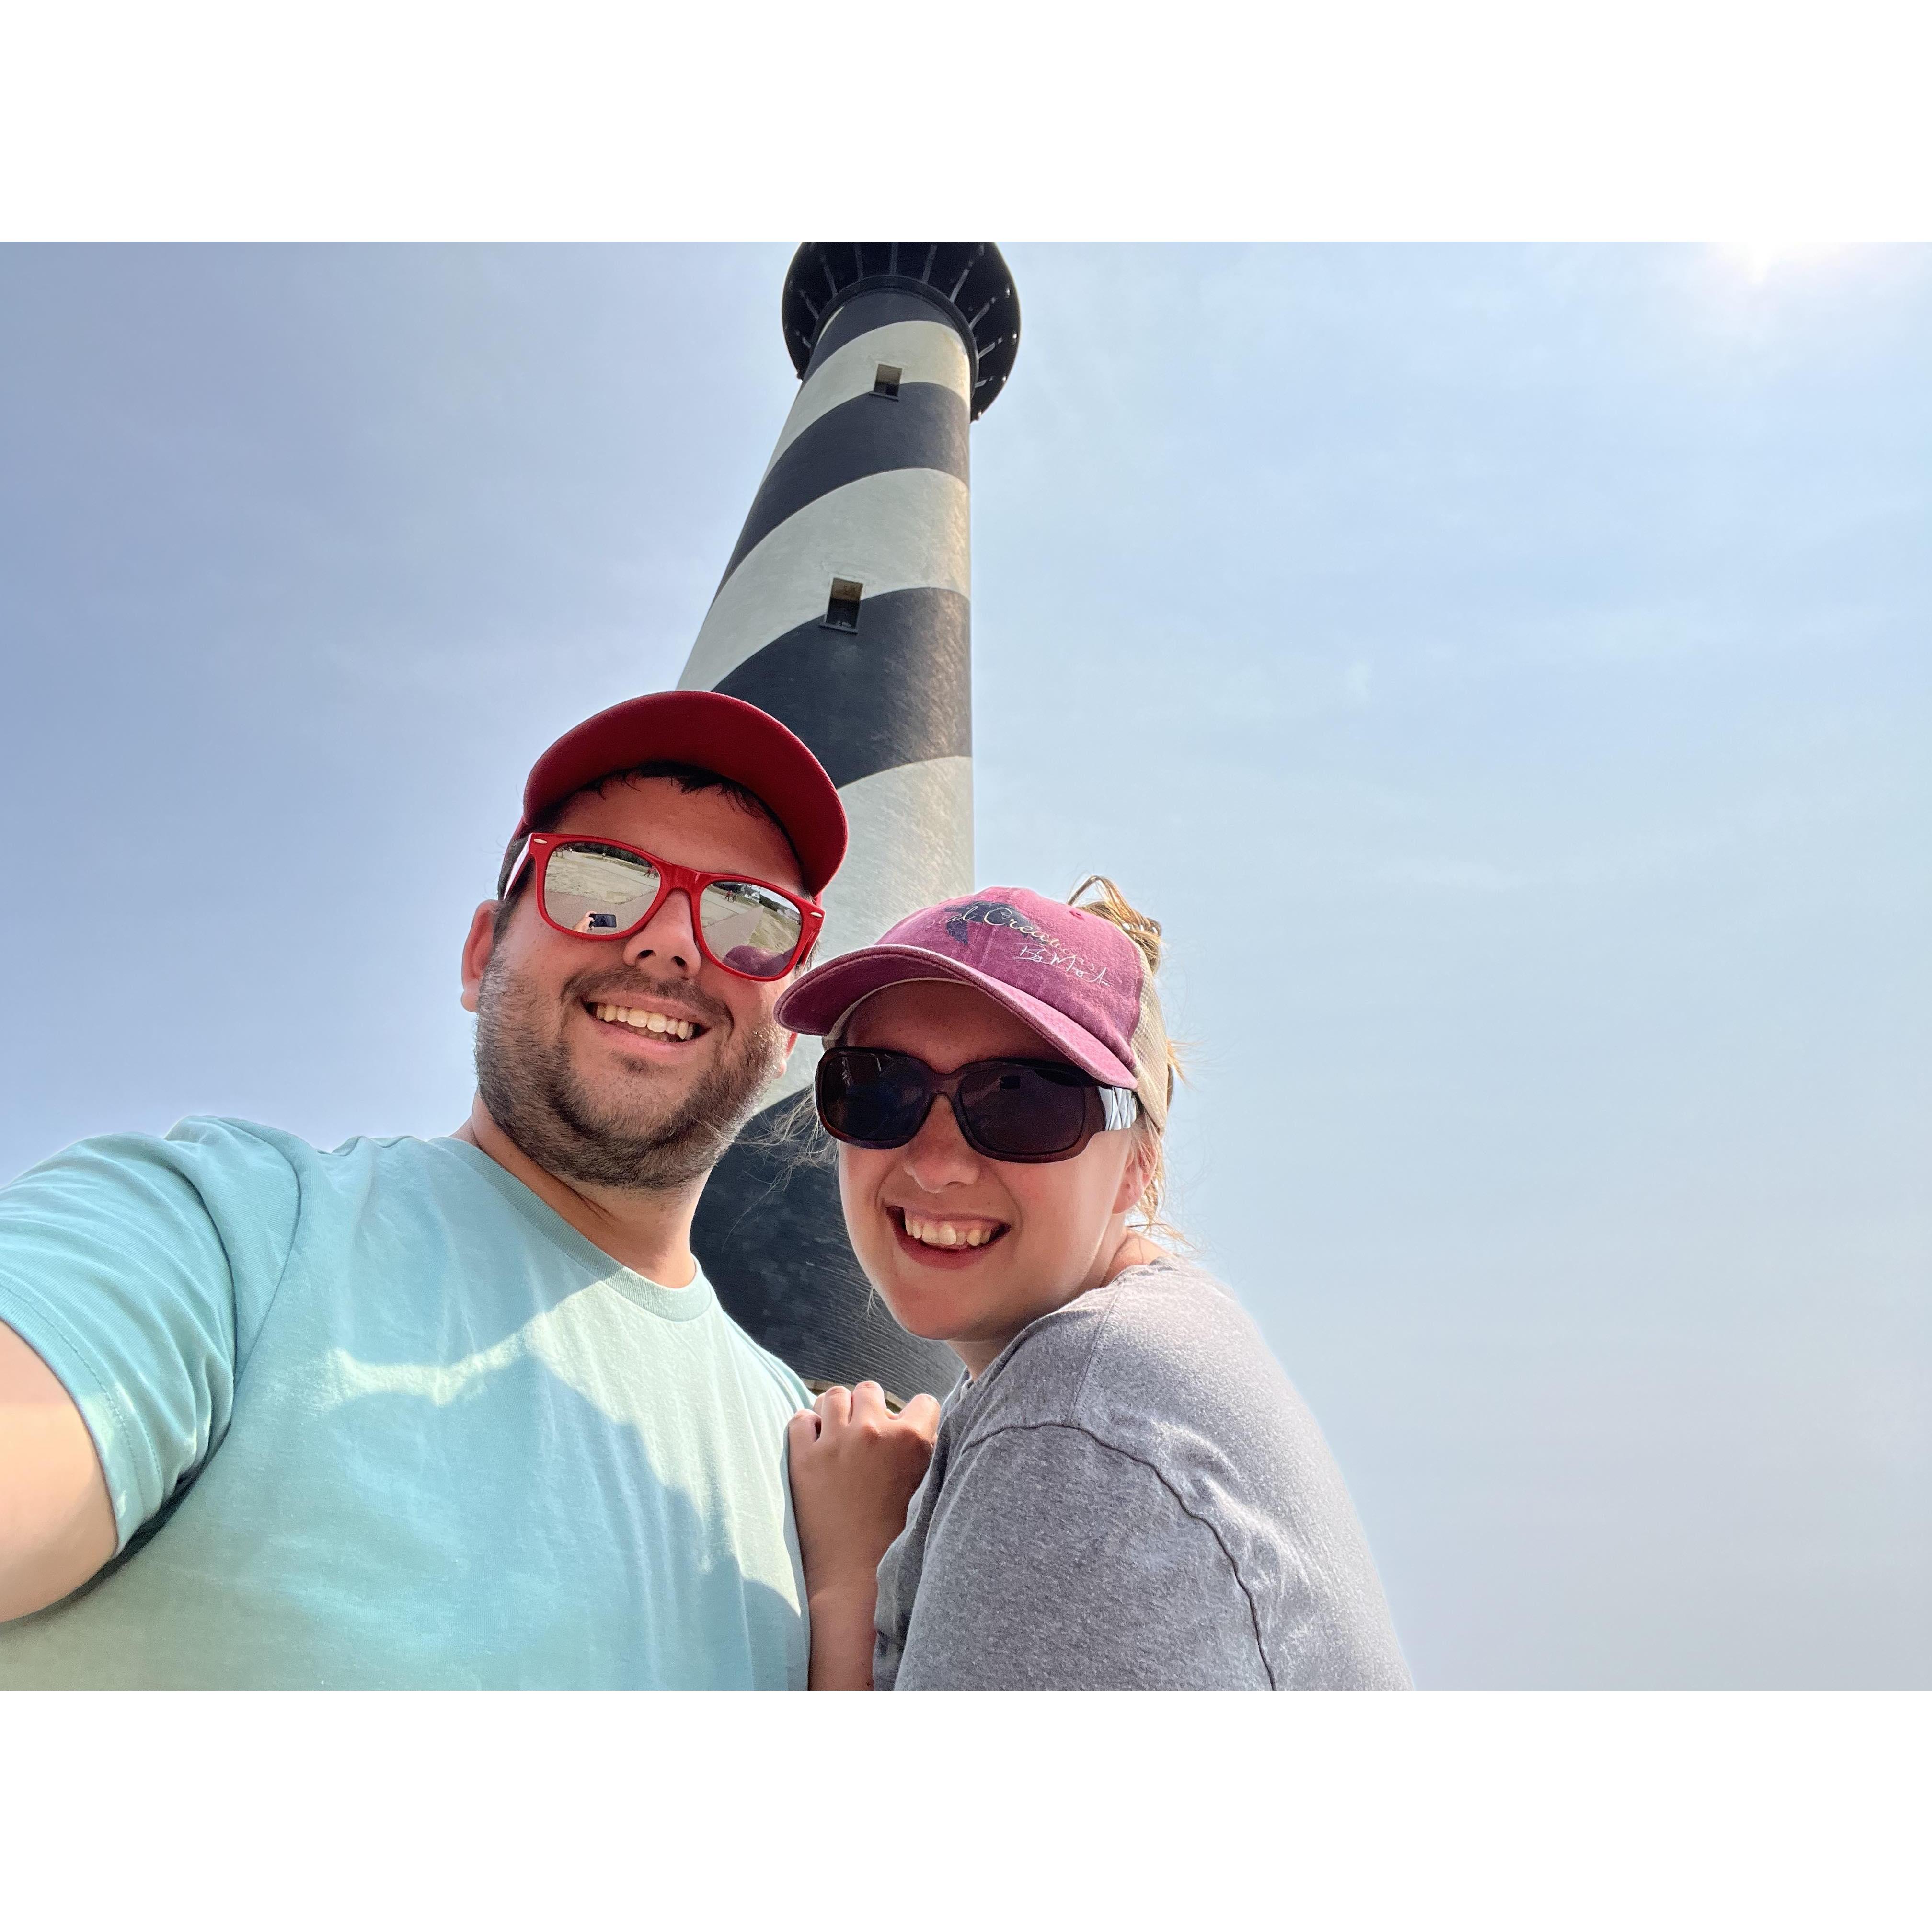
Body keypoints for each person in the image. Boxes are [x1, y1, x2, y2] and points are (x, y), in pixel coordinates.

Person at [0, 690, 847, 1688]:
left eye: (752, 917)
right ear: (481, 953)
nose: (668, 944)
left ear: (789, 1030)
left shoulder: (810, 1455)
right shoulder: (230, 1230)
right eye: (598, 880)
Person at [782, 879, 1412, 1689]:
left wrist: (850, 1578)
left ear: (1137, 1166)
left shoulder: (1073, 1429)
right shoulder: (1149, 1359)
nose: (935, 1164)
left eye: (1021, 1102)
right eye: (877, 1087)